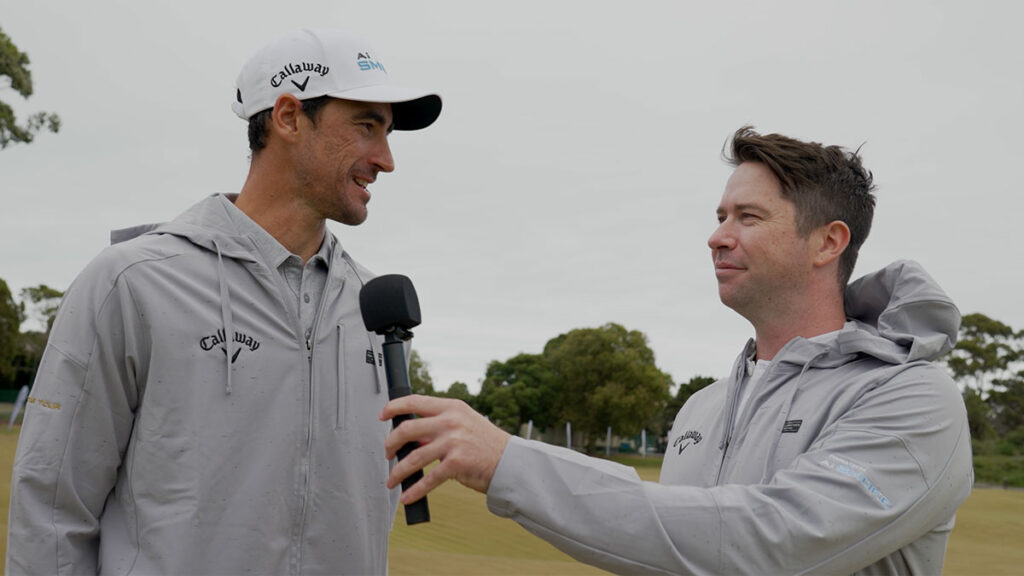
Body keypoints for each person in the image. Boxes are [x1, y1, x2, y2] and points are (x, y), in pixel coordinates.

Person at [382, 126, 973, 575]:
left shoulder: (913, 398)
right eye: (719, 216)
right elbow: (669, 542)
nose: (717, 236)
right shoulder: (700, 409)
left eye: (748, 217)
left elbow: (766, 542)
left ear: (827, 242)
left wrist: (508, 462)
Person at [7, 28, 441, 574]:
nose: (386, 159)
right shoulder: (132, 282)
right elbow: (51, 514)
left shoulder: (374, 307)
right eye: (366, 127)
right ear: (287, 117)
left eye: (389, 132)